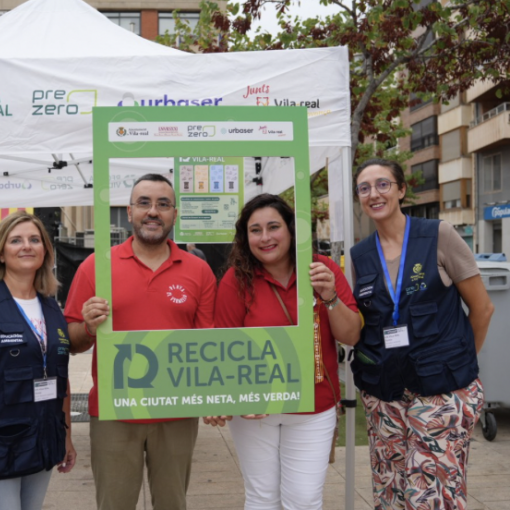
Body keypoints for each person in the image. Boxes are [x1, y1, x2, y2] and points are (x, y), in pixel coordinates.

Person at [65, 173, 216, 510]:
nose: (153, 211)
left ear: (175, 214)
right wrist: (87, 327)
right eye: (144, 203)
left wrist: (213, 400)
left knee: (173, 503)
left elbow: (208, 342)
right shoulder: (95, 267)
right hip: (114, 410)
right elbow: (71, 342)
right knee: (114, 504)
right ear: (130, 211)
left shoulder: (198, 270)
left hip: (178, 409)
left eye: (163, 204)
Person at [351, 158, 493, 510]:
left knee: (432, 494)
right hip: (385, 393)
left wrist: (458, 367)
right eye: (364, 188)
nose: (374, 194)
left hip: (443, 392)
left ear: (401, 190)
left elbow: (483, 308)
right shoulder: (358, 255)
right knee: (391, 491)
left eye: (383, 184)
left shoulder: (439, 235)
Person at [208, 193, 361, 510]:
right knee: (262, 498)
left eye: (273, 227)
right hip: (256, 409)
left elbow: (351, 335)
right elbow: (223, 349)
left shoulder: (323, 269)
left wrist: (330, 296)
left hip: (313, 407)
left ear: (292, 230)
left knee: (304, 500)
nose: (265, 237)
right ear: (244, 236)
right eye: (255, 230)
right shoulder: (236, 281)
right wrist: (234, 396)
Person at [0, 211, 76, 510]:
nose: (27, 246)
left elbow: (62, 378)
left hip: (44, 438)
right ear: (1, 252)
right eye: (16, 240)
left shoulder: (51, 306)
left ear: (45, 250)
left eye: (35, 240)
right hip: (0, 444)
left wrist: (67, 436)